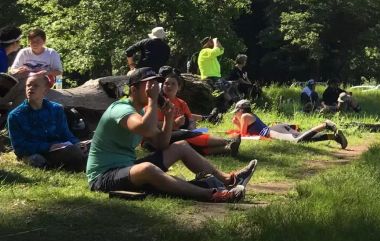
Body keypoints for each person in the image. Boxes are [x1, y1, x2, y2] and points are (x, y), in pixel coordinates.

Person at [85, 68, 255, 202]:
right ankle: (211, 194)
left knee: (180, 146)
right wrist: (153, 102)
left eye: (155, 84)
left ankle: (228, 180)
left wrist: (168, 119)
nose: (154, 89)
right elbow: (146, 130)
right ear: (133, 89)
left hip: (126, 168)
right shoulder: (120, 109)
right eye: (148, 85)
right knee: (147, 169)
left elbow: (161, 144)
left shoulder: (142, 110)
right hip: (104, 176)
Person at [145, 70, 240, 157]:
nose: (169, 86)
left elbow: (191, 121)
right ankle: (227, 142)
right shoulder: (157, 101)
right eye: (166, 83)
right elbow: (152, 125)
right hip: (158, 137)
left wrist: (190, 126)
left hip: (177, 133)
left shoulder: (182, 103)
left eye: (173, 84)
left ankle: (227, 149)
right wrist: (174, 123)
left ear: (179, 87)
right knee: (187, 137)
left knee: (191, 139)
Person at [6, 73, 86, 171]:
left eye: (35, 85)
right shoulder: (15, 115)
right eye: (28, 85)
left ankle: (75, 161)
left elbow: (65, 134)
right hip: (38, 152)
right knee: (72, 152)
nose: (30, 88)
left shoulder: (56, 109)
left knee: (91, 146)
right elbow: (19, 146)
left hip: (61, 150)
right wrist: (49, 146)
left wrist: (78, 143)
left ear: (45, 90)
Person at [231, 99, 348, 149]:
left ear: (241, 110)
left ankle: (325, 125)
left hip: (272, 131)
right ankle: (333, 136)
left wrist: (237, 122)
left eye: (236, 112)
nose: (235, 114)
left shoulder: (244, 116)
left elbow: (243, 134)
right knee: (304, 138)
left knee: (296, 141)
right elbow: (249, 131)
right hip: (277, 128)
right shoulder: (250, 115)